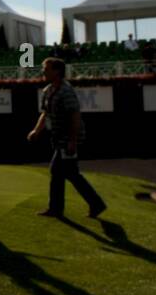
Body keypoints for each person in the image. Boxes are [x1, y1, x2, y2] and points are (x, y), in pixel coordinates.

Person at [27, 57, 106, 219]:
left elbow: (74, 116)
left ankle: (57, 208)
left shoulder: (66, 91)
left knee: (58, 171)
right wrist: (36, 131)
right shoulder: (48, 90)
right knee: (69, 173)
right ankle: (94, 204)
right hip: (58, 138)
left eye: (46, 69)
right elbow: (45, 113)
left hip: (67, 138)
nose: (43, 71)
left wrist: (72, 141)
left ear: (57, 71)